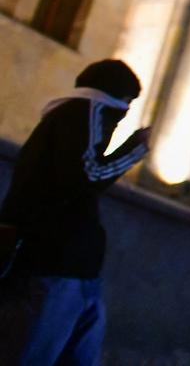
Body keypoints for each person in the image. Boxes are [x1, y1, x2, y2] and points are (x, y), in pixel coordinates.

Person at [0, 59, 151, 366]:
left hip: (75, 271)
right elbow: (89, 174)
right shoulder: (86, 113)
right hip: (55, 268)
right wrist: (135, 148)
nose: (123, 116)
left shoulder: (72, 116)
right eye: (127, 104)